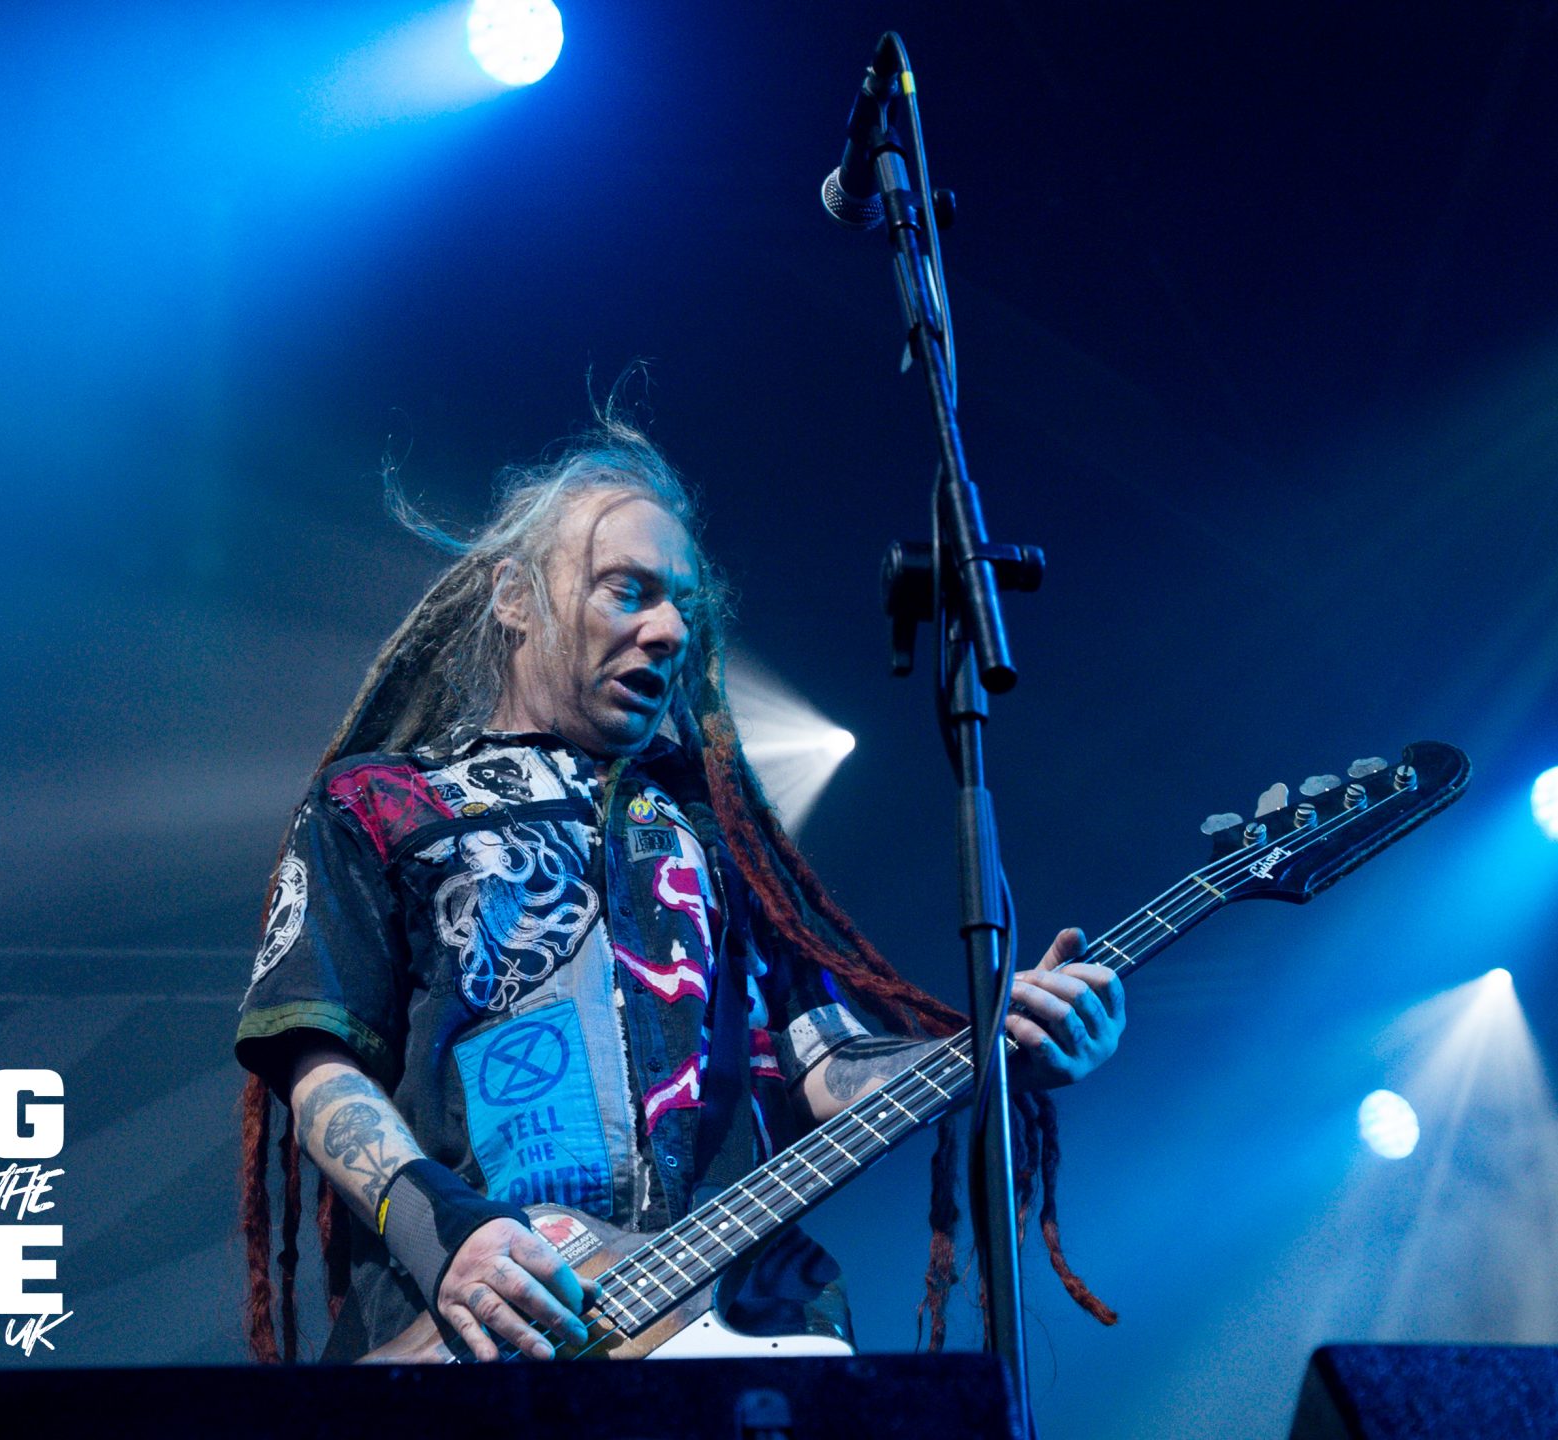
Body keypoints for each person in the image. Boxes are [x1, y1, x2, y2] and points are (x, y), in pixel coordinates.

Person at [233, 415, 1123, 1363]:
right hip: (480, 1336)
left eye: (683, 606)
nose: (668, 630)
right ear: (515, 596)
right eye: (630, 591)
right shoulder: (380, 801)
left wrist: (992, 1049)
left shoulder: (721, 826)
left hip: (734, 1332)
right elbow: (315, 1061)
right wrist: (445, 1235)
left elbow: (822, 1059)